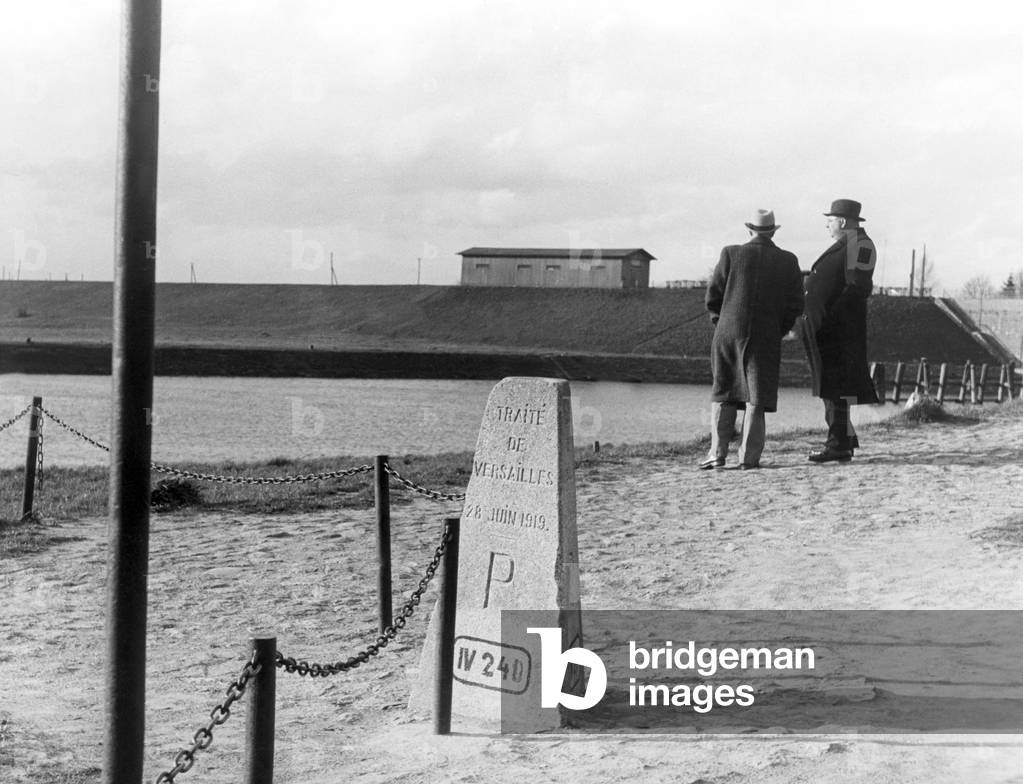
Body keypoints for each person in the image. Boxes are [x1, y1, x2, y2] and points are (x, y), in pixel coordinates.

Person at [700, 209, 805, 470]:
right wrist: (778, 329)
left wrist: (721, 322)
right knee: (756, 397)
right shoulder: (788, 261)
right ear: (772, 231)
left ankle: (717, 453)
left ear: (749, 230)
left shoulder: (730, 253)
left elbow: (713, 297)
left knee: (723, 391)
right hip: (765, 337)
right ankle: (749, 457)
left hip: (727, 333)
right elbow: (795, 305)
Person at [800, 198, 878, 463]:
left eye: (830, 220)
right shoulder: (852, 243)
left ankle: (837, 445)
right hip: (830, 329)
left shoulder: (861, 244)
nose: (827, 225)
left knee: (834, 388)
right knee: (835, 388)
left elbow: (858, 287)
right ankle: (844, 441)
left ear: (842, 222)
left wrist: (830, 318)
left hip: (837, 331)